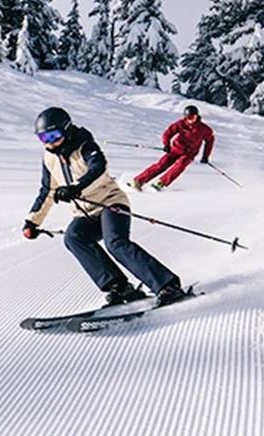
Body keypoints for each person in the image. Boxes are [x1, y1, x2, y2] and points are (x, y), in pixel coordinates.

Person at [22, 106, 187, 307]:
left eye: (54, 136)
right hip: (85, 212)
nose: (50, 143)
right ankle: (118, 287)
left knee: (115, 243)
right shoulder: (49, 157)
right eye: (43, 139)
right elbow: (47, 190)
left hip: (111, 202)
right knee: (73, 238)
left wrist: (77, 187)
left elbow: (98, 169)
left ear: (66, 129)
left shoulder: (85, 145)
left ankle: (167, 285)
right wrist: (32, 221)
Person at [129, 104, 214, 191]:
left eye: (193, 117)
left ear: (197, 116)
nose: (191, 120)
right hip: (175, 150)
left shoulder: (204, 129)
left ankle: (160, 183)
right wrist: (166, 144)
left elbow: (210, 141)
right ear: (185, 117)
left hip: (189, 153)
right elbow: (168, 133)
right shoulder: (180, 124)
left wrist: (205, 156)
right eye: (189, 117)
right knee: (161, 165)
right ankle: (138, 181)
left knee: (179, 166)